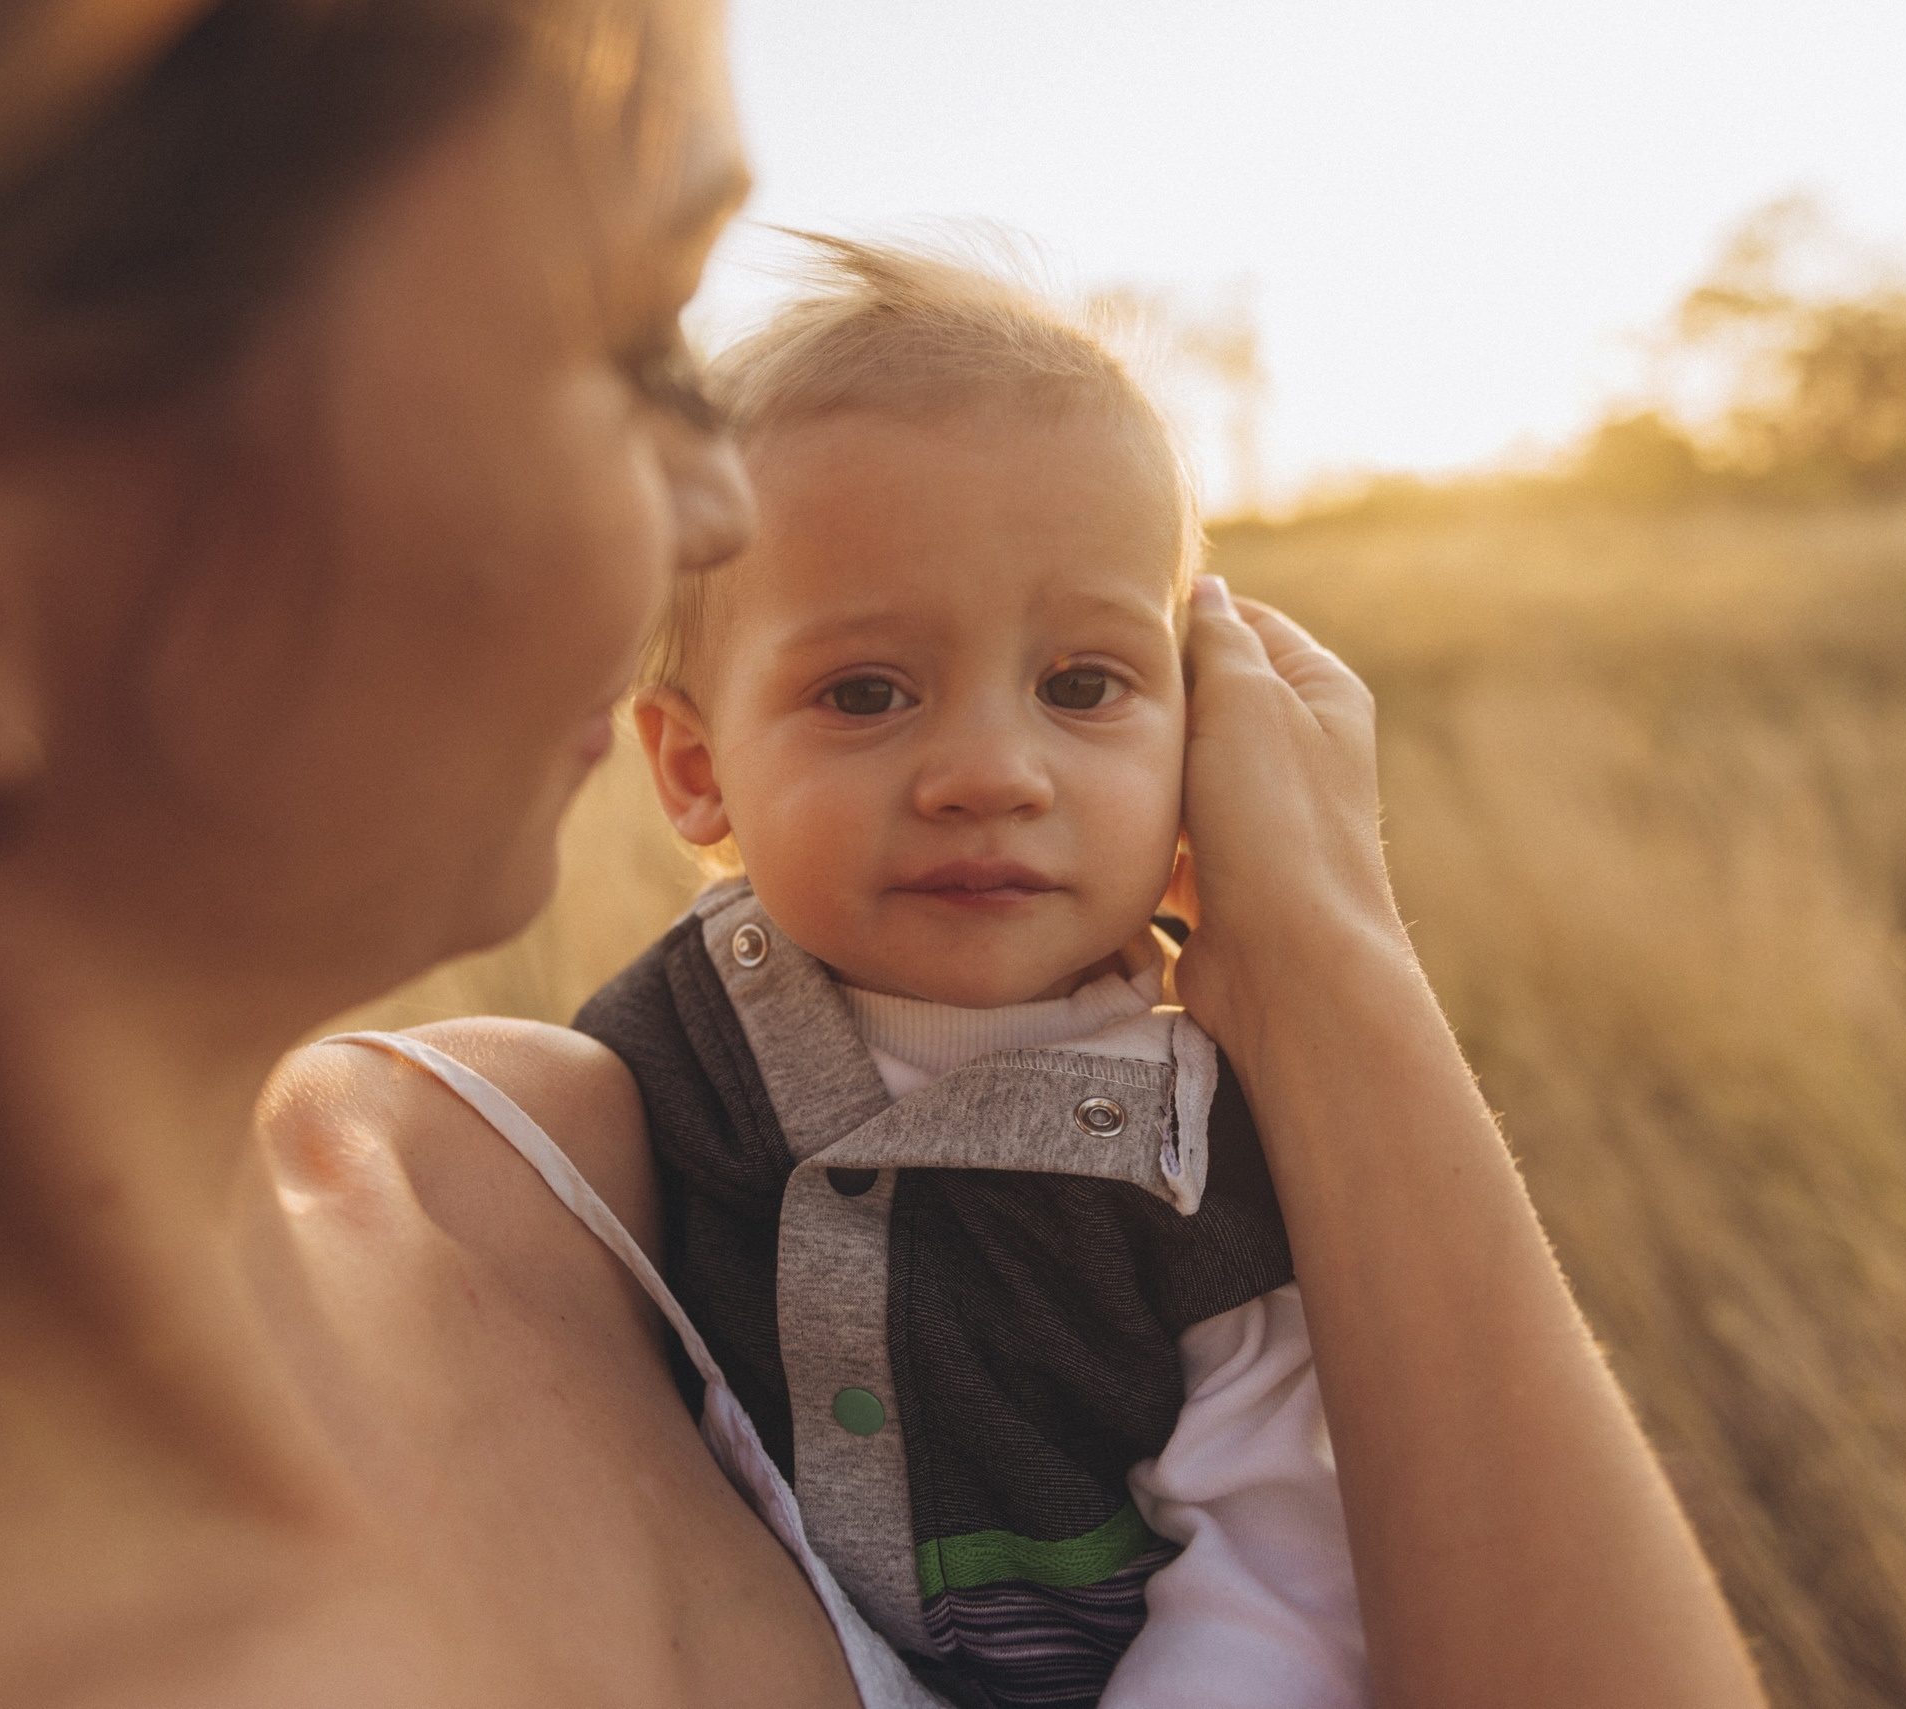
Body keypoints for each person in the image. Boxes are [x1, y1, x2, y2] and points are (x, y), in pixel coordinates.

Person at [0, 5, 1769, 1709]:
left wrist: (1324, 971)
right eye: (634, 353)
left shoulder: (532, 1168)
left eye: (1079, 679)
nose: (711, 517)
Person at [568, 238, 1362, 1709]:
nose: (992, 773)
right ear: (694, 765)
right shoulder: (659, 1048)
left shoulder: (1206, 1136)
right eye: (866, 693)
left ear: (1201, 730)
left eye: (1081, 686)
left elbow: (1283, 1563)